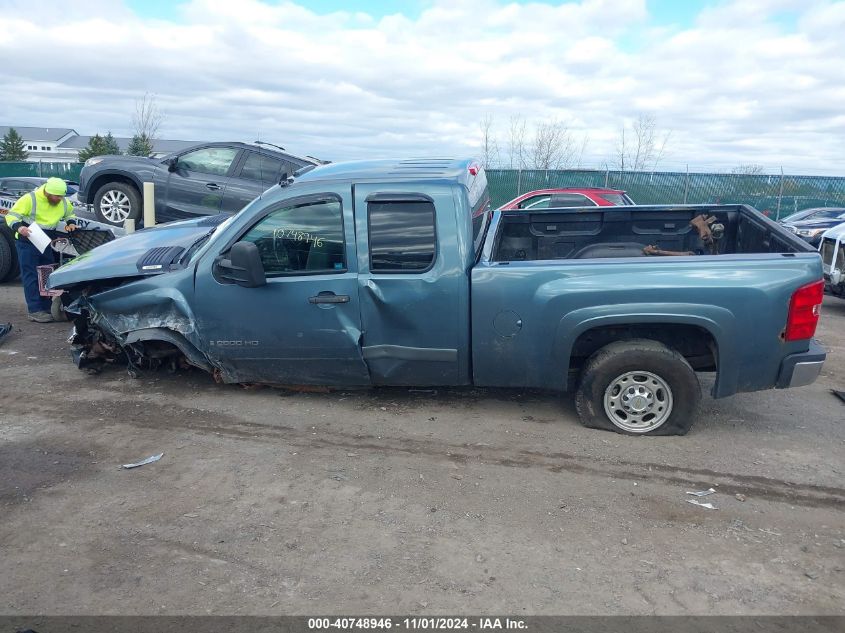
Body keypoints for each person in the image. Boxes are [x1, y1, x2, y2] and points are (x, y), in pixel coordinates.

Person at [4, 177, 78, 322]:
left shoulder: (62, 201)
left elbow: (70, 213)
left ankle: (46, 307)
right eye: (56, 196)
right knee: (31, 275)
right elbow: (11, 215)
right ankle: (35, 310)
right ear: (47, 192)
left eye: (61, 196)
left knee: (46, 273)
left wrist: (71, 223)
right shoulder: (30, 199)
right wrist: (19, 227)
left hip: (46, 240)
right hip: (28, 239)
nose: (59, 199)